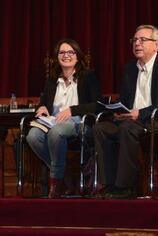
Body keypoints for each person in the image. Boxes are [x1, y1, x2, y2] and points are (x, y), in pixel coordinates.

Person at [93, 25, 158, 199]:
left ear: (156, 45)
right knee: (101, 128)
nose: (137, 43)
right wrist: (119, 111)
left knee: (128, 127)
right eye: (134, 40)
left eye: (142, 40)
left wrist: (140, 113)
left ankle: (126, 187)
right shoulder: (129, 69)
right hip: (132, 121)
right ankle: (109, 184)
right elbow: (126, 101)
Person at [26, 38, 102, 199]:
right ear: (57, 57)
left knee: (56, 131)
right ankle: (65, 173)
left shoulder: (88, 77)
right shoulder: (52, 80)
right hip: (53, 122)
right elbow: (44, 101)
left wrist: (73, 110)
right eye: (62, 52)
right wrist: (42, 107)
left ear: (77, 56)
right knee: (32, 136)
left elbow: (98, 105)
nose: (66, 55)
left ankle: (57, 183)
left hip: (80, 124)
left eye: (70, 52)